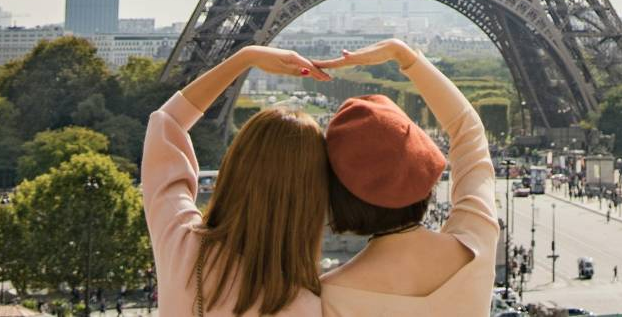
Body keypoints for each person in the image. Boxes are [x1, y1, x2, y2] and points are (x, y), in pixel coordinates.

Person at [141, 46, 332, 316]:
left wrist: (245, 57)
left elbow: (167, 122)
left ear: (234, 165)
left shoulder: (181, 247)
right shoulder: (305, 306)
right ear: (314, 197)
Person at [313, 39, 497, 316]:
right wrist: (405, 55)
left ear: (339, 195)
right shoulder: (476, 245)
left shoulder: (327, 298)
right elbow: (468, 128)